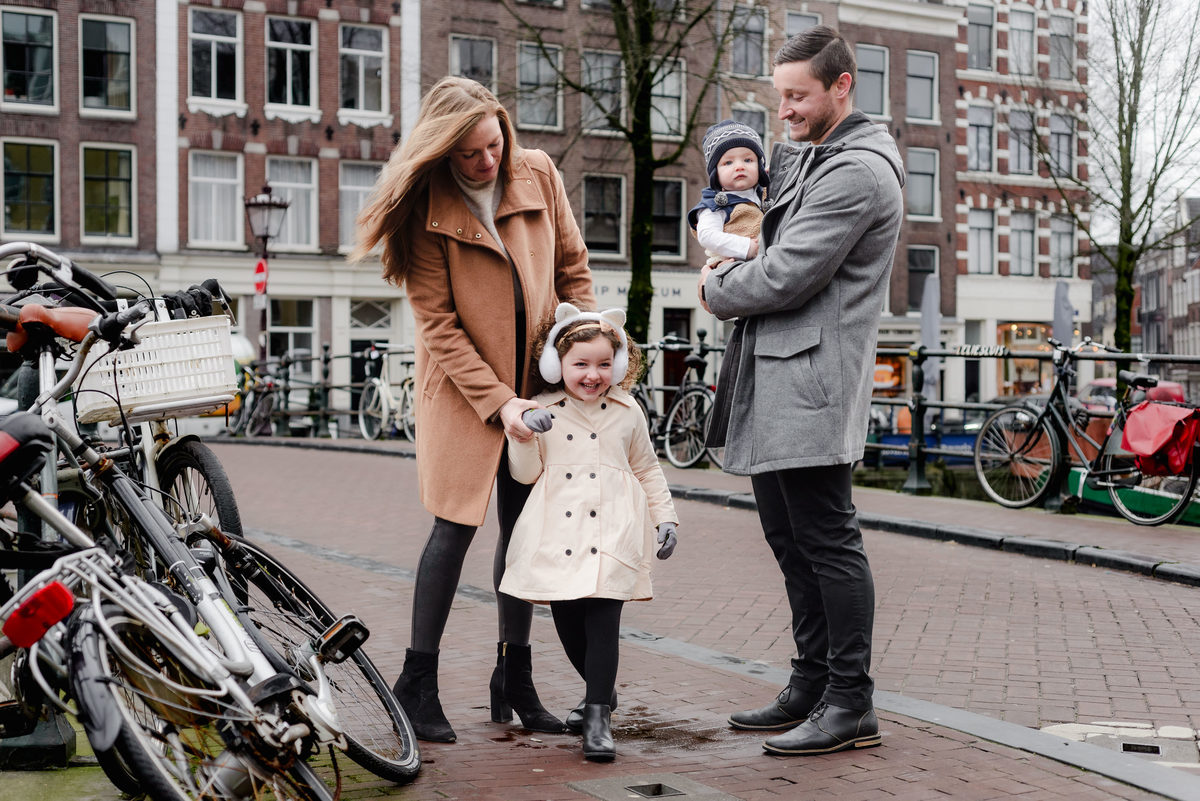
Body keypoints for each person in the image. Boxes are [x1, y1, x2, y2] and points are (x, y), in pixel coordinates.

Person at [351, 76, 595, 743]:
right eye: (470, 154)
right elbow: (439, 327)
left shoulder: (538, 174)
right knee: (454, 528)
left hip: (538, 377)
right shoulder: (425, 209)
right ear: (442, 154)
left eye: (494, 144)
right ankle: (416, 679)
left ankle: (515, 676)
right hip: (465, 390)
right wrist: (500, 402)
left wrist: (577, 350)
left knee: (524, 533)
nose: (488, 162)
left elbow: (573, 267)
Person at [697, 26, 904, 757]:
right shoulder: (817, 157)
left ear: (841, 86)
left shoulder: (857, 174)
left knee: (827, 539)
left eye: (797, 96)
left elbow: (788, 272)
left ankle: (852, 700)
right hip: (782, 373)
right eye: (780, 95)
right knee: (791, 541)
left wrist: (718, 289)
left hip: (812, 380)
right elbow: (766, 233)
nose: (781, 110)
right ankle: (812, 680)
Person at [498, 302, 679, 762]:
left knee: (603, 620)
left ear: (617, 366)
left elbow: (647, 466)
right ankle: (603, 690)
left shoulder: (627, 409)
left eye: (603, 364)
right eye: (581, 364)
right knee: (566, 622)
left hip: (615, 527)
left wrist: (667, 517)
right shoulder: (543, 409)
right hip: (558, 531)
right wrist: (522, 433)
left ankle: (598, 715)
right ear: (559, 366)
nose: (592, 374)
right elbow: (525, 475)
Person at [687, 119, 770, 266]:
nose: (739, 166)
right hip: (731, 265)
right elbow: (706, 235)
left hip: (762, 266)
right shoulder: (714, 205)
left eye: (748, 160)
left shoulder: (764, 195)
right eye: (728, 163)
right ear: (715, 173)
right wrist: (745, 247)